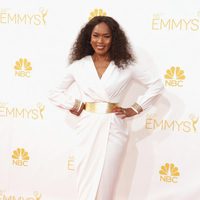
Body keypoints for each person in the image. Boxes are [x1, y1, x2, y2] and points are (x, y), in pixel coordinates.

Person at [49, 16, 164, 200]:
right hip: (87, 129)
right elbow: (54, 92)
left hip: (114, 130)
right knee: (85, 181)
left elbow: (156, 85)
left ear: (114, 39)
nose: (100, 41)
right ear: (89, 37)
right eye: (96, 36)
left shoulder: (126, 66)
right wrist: (74, 104)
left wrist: (135, 108)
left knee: (106, 182)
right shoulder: (79, 66)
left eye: (106, 36)